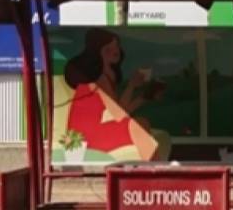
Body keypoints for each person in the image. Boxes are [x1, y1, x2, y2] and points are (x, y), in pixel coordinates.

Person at [62, 28, 162, 161]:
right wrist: (133, 87)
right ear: (98, 50)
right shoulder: (98, 78)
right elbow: (119, 114)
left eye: (117, 46)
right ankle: (155, 169)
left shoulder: (106, 75)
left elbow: (119, 110)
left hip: (92, 132)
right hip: (85, 138)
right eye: (109, 47)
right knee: (140, 124)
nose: (116, 50)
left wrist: (143, 95)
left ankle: (154, 167)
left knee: (141, 123)